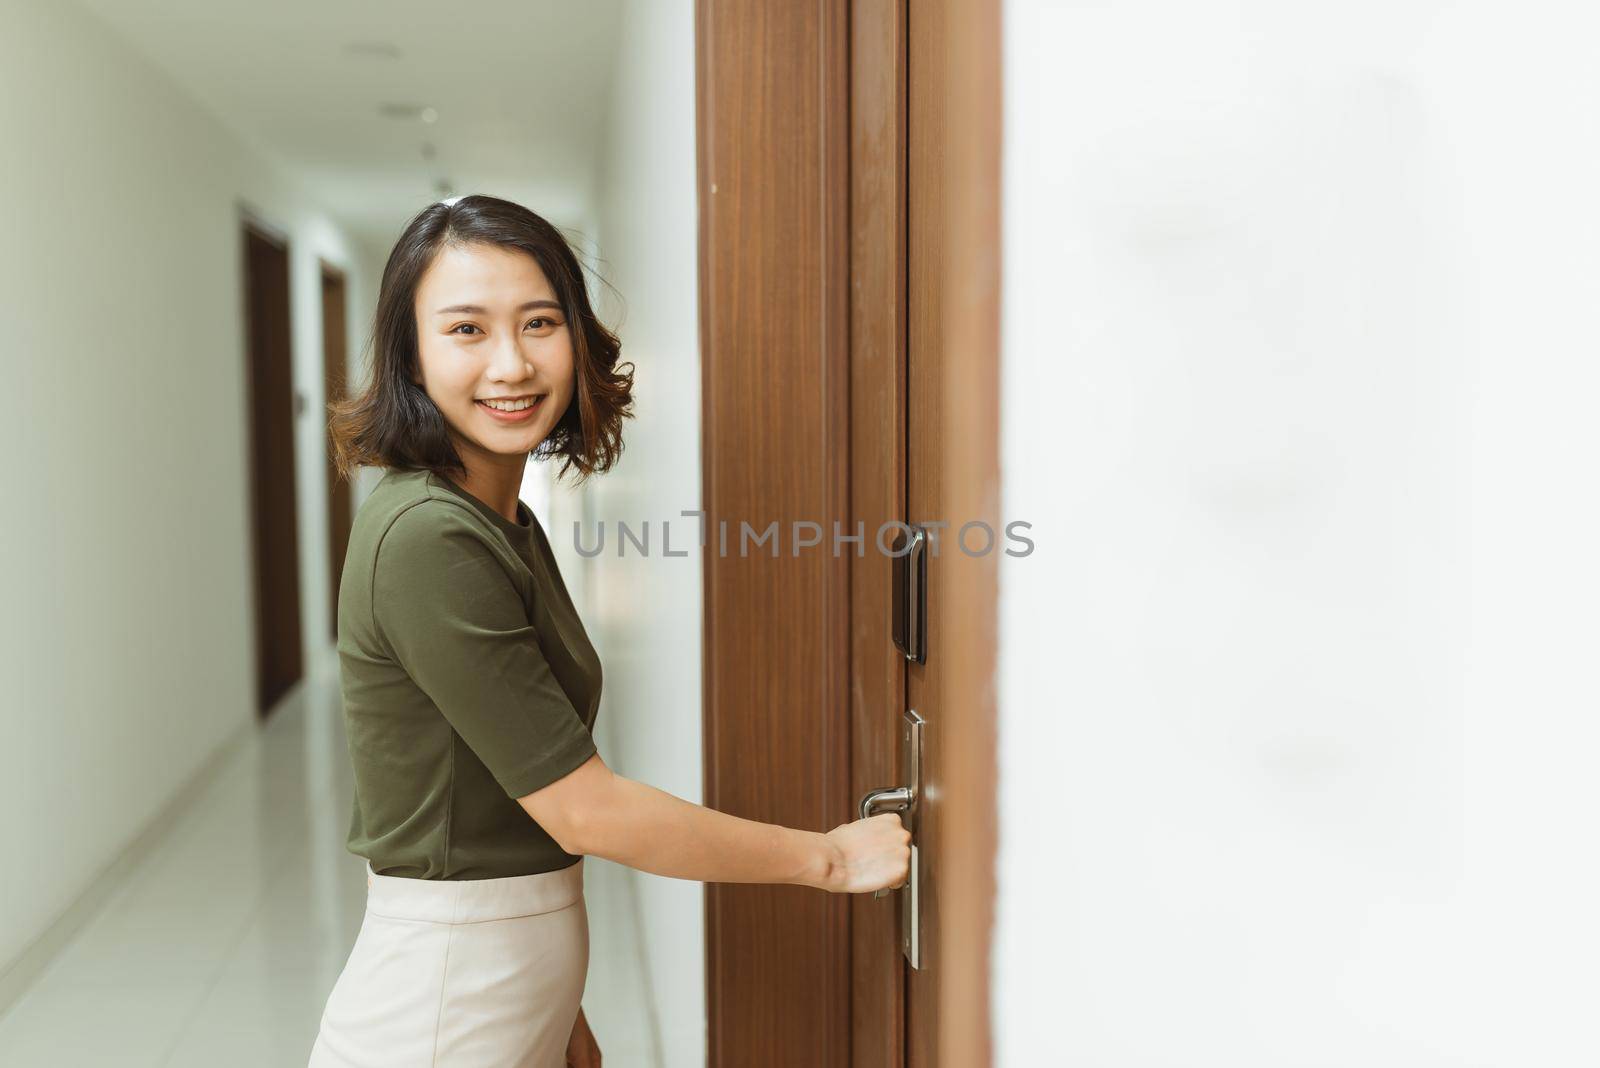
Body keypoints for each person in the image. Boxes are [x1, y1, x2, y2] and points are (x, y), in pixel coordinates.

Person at [307, 194, 910, 1068]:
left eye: (539, 322)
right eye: (467, 330)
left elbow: (499, 803)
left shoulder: (491, 516)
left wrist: (559, 1015)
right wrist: (827, 860)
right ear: (411, 355)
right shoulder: (428, 537)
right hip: (444, 1007)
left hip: (494, 989)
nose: (510, 363)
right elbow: (582, 809)